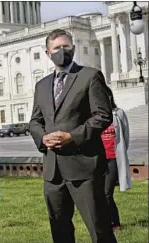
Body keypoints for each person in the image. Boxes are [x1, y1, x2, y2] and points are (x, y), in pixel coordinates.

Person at [28, 29, 117, 243]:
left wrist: (72, 136)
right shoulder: (42, 86)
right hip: (53, 171)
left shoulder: (89, 76)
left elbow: (103, 116)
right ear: (48, 53)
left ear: (73, 48)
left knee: (100, 230)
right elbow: (35, 121)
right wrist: (43, 138)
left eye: (66, 46)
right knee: (60, 231)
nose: (62, 51)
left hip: (85, 167)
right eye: (56, 48)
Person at [101, 87, 132, 231]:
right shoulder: (93, 116)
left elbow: (125, 137)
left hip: (112, 159)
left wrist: (121, 154)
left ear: (110, 97)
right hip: (98, 160)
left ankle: (115, 223)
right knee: (98, 194)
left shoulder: (118, 113)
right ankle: (104, 222)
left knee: (107, 193)